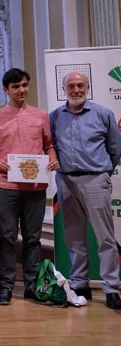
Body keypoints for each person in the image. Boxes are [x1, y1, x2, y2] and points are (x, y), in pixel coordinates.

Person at [0, 68, 59, 306]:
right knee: (6, 237)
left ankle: (32, 286)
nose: (22, 90)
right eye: (16, 86)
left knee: (32, 238)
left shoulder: (41, 115)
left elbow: (48, 144)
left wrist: (53, 158)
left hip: (35, 187)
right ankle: (5, 287)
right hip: (6, 185)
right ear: (6, 90)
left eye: (25, 85)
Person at [49, 71, 121, 309]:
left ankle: (112, 287)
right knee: (74, 237)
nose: (76, 90)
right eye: (71, 86)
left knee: (105, 238)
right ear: (64, 89)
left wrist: (102, 174)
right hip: (66, 181)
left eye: (80, 85)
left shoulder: (103, 114)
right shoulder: (54, 117)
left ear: (87, 87)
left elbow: (115, 149)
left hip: (95, 180)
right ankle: (80, 284)